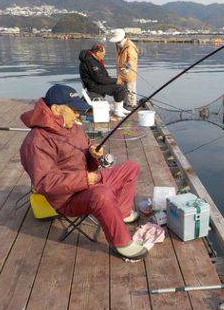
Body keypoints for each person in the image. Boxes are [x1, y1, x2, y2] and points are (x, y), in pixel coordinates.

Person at [20, 84, 148, 260]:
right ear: (56, 109)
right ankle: (121, 243)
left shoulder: (72, 127)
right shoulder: (36, 141)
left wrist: (93, 155)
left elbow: (87, 151)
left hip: (88, 181)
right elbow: (45, 183)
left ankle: (123, 212)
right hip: (67, 199)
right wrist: (85, 179)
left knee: (131, 167)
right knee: (102, 194)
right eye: (74, 110)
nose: (78, 115)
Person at [79, 43, 129, 118]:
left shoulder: (94, 59)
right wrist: (115, 80)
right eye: (103, 54)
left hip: (97, 84)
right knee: (119, 88)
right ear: (97, 52)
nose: (104, 55)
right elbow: (99, 79)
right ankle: (118, 111)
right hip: (94, 87)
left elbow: (102, 77)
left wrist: (114, 80)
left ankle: (120, 107)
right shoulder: (90, 62)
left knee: (120, 85)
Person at [109, 29, 139, 110]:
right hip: (121, 73)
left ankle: (131, 106)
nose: (117, 43)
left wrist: (128, 67)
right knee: (122, 90)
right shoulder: (119, 45)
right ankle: (124, 105)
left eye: (118, 41)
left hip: (129, 73)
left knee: (130, 91)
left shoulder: (130, 47)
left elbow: (132, 59)